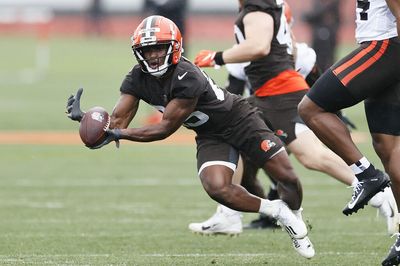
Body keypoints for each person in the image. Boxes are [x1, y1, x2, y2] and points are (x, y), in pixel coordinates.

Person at [66, 15, 315, 259]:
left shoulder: (187, 75)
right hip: (210, 133)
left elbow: (163, 129)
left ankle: (296, 218)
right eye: (148, 49)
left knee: (287, 177)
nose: (153, 55)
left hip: (240, 120)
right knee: (217, 187)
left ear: (174, 47)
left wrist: (118, 133)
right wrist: (89, 120)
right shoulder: (136, 78)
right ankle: (278, 211)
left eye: (159, 48)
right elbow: (117, 122)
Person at [189, 0, 397, 236]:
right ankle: (228, 214)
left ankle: (377, 187)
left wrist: (217, 57)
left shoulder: (257, 10)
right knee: (231, 135)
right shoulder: (268, 12)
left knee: (313, 156)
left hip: (280, 95)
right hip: (268, 95)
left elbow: (259, 47)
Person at [297, 0, 400, 264]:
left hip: (385, 46)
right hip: (381, 46)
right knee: (389, 150)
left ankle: (367, 175)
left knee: (311, 108)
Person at [303, 0, 341, 71]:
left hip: (328, 37)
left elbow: (337, 20)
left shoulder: (332, 5)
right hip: (320, 37)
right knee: (319, 60)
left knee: (327, 60)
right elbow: (310, 17)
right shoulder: (319, 5)